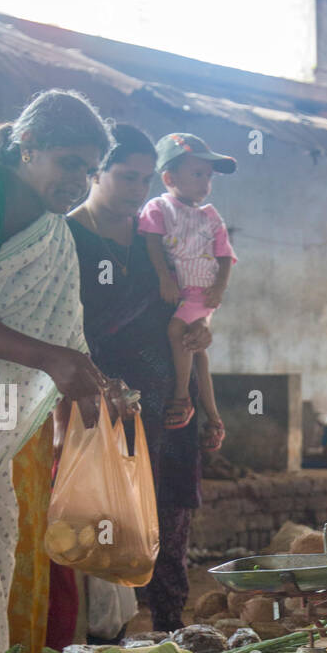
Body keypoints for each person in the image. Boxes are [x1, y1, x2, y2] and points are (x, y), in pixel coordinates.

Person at [0, 90, 112, 653]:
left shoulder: (52, 228)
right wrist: (48, 359)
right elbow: (47, 345)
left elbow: (64, 330)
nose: (80, 182)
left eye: (89, 169)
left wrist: (94, 386)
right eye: (69, 163)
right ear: (27, 149)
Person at [68, 124, 210, 634]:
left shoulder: (161, 237)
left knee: (170, 515)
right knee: (105, 518)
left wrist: (200, 347)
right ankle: (101, 642)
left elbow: (191, 315)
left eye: (146, 179)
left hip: (171, 398)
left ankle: (171, 632)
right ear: (96, 173)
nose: (137, 190)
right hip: (96, 400)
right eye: (126, 177)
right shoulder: (66, 237)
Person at [138, 133, 236, 446]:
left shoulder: (210, 216)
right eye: (197, 174)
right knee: (197, 350)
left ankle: (181, 397)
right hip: (182, 289)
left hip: (202, 293)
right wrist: (165, 277)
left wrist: (219, 290)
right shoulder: (158, 208)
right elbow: (152, 244)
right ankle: (214, 417)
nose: (205, 182)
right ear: (168, 177)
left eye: (209, 176)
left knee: (176, 330)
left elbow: (225, 257)